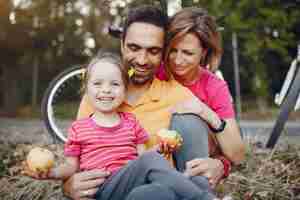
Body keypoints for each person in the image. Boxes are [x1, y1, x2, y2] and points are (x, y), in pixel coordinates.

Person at [64, 5, 245, 200]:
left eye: (153, 51)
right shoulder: (100, 95)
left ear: (161, 53)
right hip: (111, 188)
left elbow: (229, 150)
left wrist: (220, 163)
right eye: (134, 48)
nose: (142, 60)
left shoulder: (180, 95)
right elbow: (75, 157)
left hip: (153, 191)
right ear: (122, 44)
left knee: (157, 192)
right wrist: (67, 185)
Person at [25, 51, 217, 200]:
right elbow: (70, 166)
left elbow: (144, 159)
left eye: (115, 84)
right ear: (86, 88)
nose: (106, 90)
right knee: (174, 176)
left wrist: (161, 149)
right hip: (103, 189)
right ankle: (203, 198)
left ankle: (188, 188)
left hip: (131, 190)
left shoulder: (131, 122)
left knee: (163, 191)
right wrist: (51, 173)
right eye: (98, 83)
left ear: (125, 90)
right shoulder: (79, 128)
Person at [161, 6, 244, 175]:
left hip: (190, 167)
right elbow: (126, 73)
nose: (177, 60)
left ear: (204, 52)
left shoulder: (214, 86)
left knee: (189, 122)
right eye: (173, 50)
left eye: (187, 53)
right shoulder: (154, 70)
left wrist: (205, 112)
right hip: (156, 159)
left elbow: (238, 155)